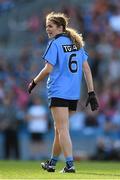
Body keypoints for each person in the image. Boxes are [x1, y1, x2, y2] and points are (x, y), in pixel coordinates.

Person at [28, 12, 99, 173]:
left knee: (62, 129)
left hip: (58, 91)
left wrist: (34, 81)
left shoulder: (55, 44)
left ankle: (69, 164)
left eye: (51, 26)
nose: (48, 29)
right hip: (73, 94)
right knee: (59, 129)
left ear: (60, 27)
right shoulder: (76, 43)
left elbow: (48, 69)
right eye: (46, 26)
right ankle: (52, 163)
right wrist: (91, 92)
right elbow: (86, 68)